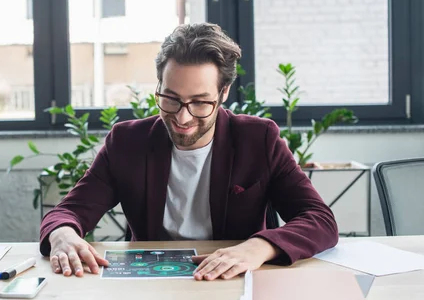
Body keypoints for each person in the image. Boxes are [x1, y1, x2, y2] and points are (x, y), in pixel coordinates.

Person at [39, 22, 338, 281]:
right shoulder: (127, 141)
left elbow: (319, 219)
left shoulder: (258, 138)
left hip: (233, 281)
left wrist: (257, 247)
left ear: (223, 93)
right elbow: (68, 212)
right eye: (171, 99)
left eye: (199, 102)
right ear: (159, 86)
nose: (182, 118)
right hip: (151, 282)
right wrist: (62, 234)